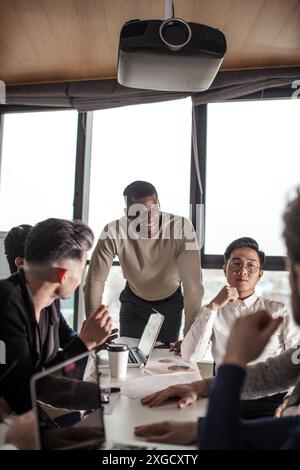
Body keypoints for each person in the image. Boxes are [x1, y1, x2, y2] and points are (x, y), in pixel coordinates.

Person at [135, 189, 300, 449]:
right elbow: (279, 370)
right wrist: (212, 307)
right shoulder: (214, 310)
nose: (242, 271)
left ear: (260, 275)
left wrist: (289, 402)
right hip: (230, 394)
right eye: (235, 264)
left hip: (267, 402)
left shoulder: (278, 310)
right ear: (224, 269)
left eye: (251, 266)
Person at [0, 218, 113, 414]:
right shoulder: (6, 302)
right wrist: (84, 343)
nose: (81, 279)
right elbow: (22, 391)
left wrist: (110, 395)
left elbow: (44, 379)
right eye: (81, 270)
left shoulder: (50, 302)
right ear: (63, 276)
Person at [84, 180, 204, 345]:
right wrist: (94, 329)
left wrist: (190, 335)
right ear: (127, 213)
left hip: (169, 304)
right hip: (134, 303)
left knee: (163, 364)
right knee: (130, 360)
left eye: (153, 210)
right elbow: (95, 281)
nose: (148, 219)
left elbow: (193, 285)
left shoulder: (181, 227)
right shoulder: (113, 231)